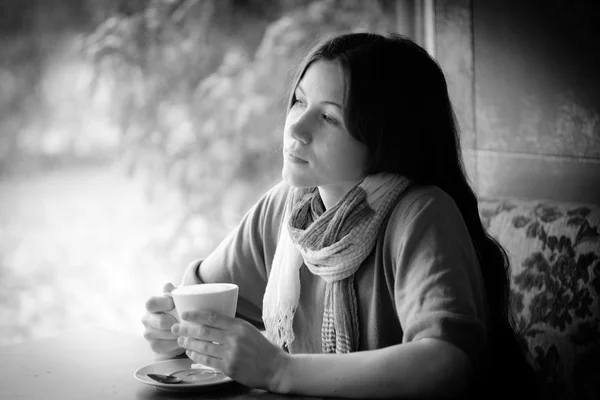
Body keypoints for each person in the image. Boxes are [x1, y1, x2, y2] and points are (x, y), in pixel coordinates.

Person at [142, 32, 536, 398]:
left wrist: (279, 370)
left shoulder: (421, 214)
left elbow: (444, 364)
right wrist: (174, 328)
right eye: (298, 100)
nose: (296, 127)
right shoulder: (286, 208)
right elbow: (195, 299)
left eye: (329, 117)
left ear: (384, 139)